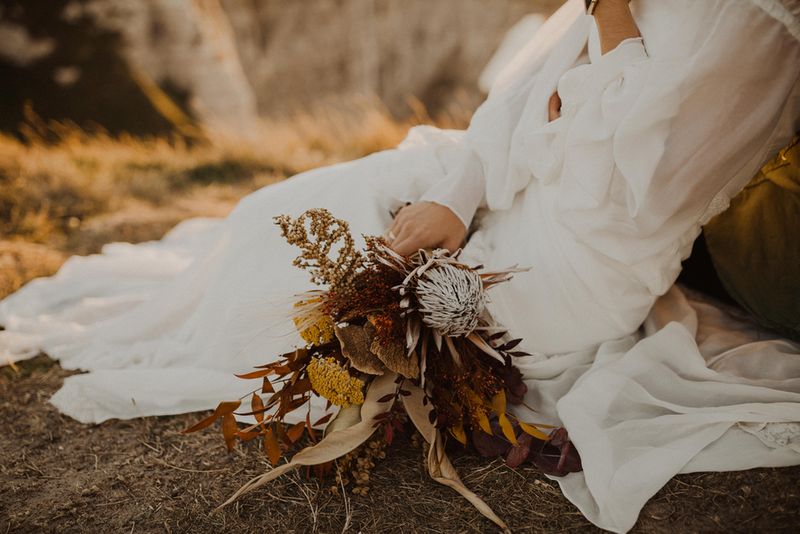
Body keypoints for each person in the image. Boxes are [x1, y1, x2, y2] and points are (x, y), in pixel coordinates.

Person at [2, 1, 800, 531]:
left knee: (301, 277)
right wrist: (456, 196)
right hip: (512, 194)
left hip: (569, 272)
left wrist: (615, 18)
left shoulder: (759, 25)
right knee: (271, 217)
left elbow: (633, 186)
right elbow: (521, 100)